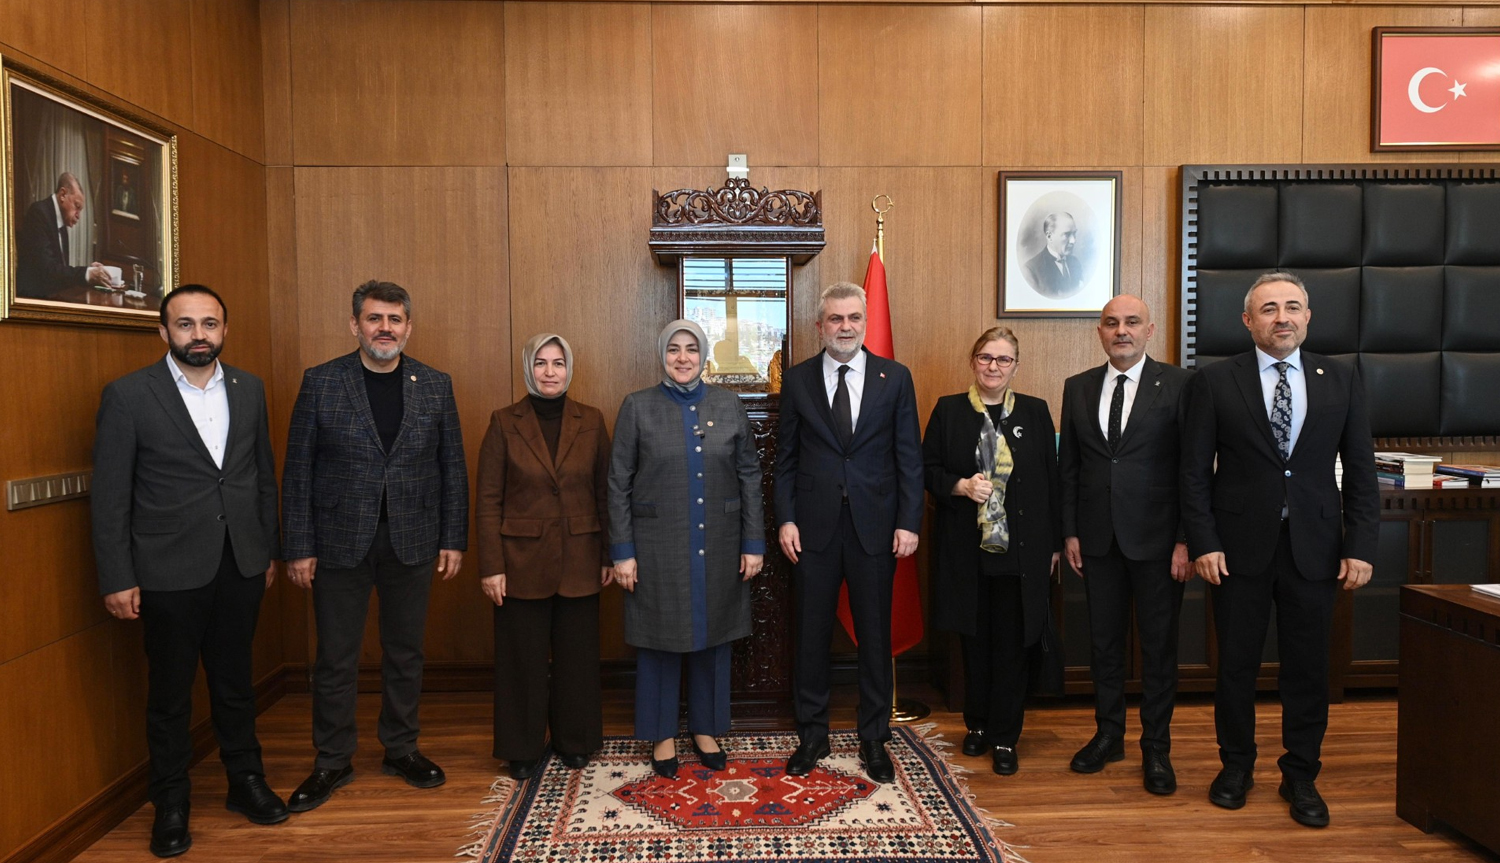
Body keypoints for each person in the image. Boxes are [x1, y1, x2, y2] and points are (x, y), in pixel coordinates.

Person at [91, 284, 287, 858]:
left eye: (209, 324)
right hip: (165, 570)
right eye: (185, 325)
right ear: (163, 332)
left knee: (235, 685)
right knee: (171, 696)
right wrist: (116, 576)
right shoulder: (128, 396)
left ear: (224, 329)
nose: (198, 335)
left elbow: (261, 477)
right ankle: (171, 802)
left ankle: (245, 783)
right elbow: (109, 497)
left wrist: (267, 550)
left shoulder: (250, 390)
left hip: (242, 563)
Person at [1181, 271, 1379, 828]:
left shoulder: (1340, 378)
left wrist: (1361, 544)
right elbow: (1193, 473)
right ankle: (1236, 767)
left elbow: (1361, 470)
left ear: (1308, 316)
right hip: (1237, 551)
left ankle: (1301, 775)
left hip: (1316, 550)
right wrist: (1204, 541)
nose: (1282, 317)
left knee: (1309, 671)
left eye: (1292, 307)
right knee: (1236, 668)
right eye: (1268, 309)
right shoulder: (1216, 382)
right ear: (1249, 321)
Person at [281, 280, 468, 811]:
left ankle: (401, 748)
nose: (384, 328)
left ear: (409, 326)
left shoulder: (435, 384)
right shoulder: (321, 383)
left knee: (405, 653)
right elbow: (297, 471)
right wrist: (298, 545)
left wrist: (454, 538)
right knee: (335, 658)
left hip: (413, 539)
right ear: (354, 325)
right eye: (373, 319)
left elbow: (451, 466)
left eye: (394, 319)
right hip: (338, 541)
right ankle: (332, 760)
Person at [774, 282, 923, 784]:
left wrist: (909, 521)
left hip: (876, 528)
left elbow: (909, 457)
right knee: (811, 636)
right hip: (812, 530)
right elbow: (786, 460)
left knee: (874, 639)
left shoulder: (894, 378)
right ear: (820, 326)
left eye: (853, 318)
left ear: (864, 322)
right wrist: (786, 518)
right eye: (835, 319)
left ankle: (874, 739)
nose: (845, 327)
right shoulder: (796, 381)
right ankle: (812, 734)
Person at [608, 320, 764, 779]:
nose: (682, 358)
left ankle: (706, 729)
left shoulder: (729, 405)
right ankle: (660, 735)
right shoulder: (637, 407)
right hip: (656, 547)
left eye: (691, 350)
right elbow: (618, 483)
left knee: (713, 638)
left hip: (719, 542)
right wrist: (622, 552)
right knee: (659, 639)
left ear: (703, 356)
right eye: (673, 350)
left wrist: (753, 543)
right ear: (662, 355)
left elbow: (750, 477)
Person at [1058, 295, 1193, 793]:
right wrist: (1070, 530)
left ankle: (1156, 748)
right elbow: (1068, 468)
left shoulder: (1180, 385)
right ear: (1099, 332)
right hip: (1096, 539)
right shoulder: (1078, 387)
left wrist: (1186, 540)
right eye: (1111, 323)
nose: (1122, 331)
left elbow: (1192, 469)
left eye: (1131, 322)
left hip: (1161, 544)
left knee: (1159, 649)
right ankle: (1108, 734)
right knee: (1104, 645)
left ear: (1150, 329)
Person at [923, 326, 1061, 776]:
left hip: (1022, 554)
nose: (993, 367)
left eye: (1003, 360)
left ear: (1016, 367)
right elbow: (926, 470)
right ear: (972, 361)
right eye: (986, 358)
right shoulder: (949, 411)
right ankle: (977, 726)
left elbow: (1052, 483)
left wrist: (1055, 545)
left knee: (1012, 647)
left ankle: (1005, 736)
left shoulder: (1037, 413)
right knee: (975, 644)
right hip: (968, 551)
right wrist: (959, 486)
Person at [476, 333, 612, 780]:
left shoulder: (591, 420)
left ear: (569, 368)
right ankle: (522, 746)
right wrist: (492, 565)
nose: (550, 372)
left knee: (577, 657)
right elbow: (488, 499)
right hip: (519, 562)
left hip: (581, 556)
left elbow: (605, 493)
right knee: (522, 660)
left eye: (558, 363)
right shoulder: (503, 421)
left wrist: (610, 554)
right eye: (541, 363)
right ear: (527, 368)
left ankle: (576, 740)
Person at [16, 172, 112, 298]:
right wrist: (87, 273)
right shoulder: (38, 213)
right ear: (62, 195)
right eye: (77, 207)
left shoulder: (62, 223)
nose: (78, 215)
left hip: (53, 294)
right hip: (33, 299)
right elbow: (47, 271)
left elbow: (59, 271)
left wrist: (89, 270)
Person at [1020, 212, 1083, 299]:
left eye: (1074, 233)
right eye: (1067, 234)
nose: (1073, 241)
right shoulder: (1030, 270)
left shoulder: (1075, 263)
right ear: (1049, 236)